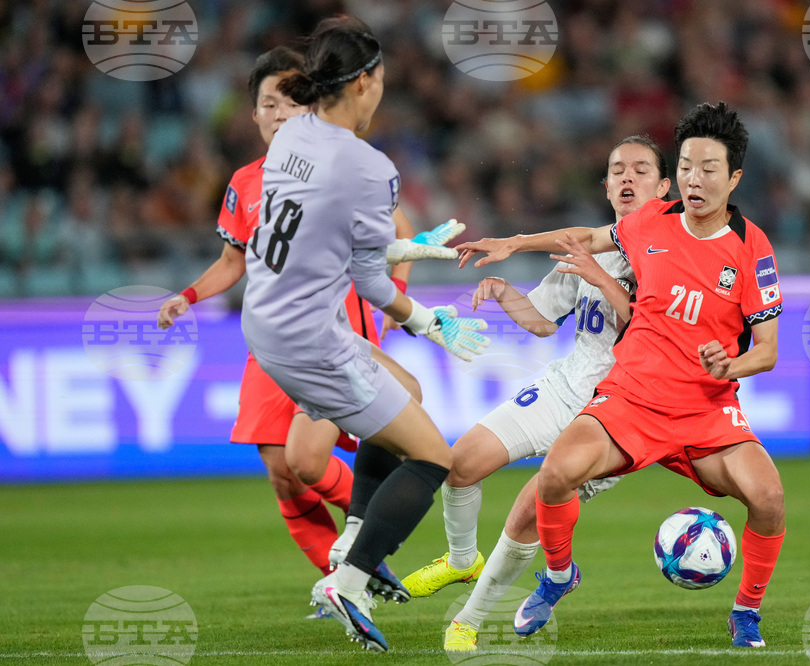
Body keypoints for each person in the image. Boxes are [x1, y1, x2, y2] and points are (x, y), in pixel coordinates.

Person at [456, 102, 785, 649]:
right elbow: (583, 235)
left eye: (708, 169)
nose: (694, 179)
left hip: (706, 410)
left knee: (769, 499)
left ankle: (746, 611)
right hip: (632, 400)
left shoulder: (753, 249)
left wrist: (732, 364)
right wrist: (515, 242)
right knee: (557, 473)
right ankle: (558, 575)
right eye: (685, 167)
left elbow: (768, 350)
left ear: (734, 178)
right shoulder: (650, 222)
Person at [155, 46, 461, 615]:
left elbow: (390, 238)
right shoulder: (284, 172)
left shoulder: (317, 158)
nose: (278, 113)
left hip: (307, 329)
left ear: (309, 103)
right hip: (309, 335)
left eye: (288, 101)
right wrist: (416, 315)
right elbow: (241, 258)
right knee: (297, 466)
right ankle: (351, 563)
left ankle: (353, 555)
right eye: (268, 103)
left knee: (306, 460)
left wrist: (402, 289)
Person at [240, 17, 489, 653]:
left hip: (266, 318)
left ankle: (353, 540)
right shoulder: (370, 167)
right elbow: (372, 281)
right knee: (434, 457)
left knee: (401, 398)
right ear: (365, 83)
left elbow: (339, 247)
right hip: (309, 338)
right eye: (381, 81)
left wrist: (406, 250)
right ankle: (347, 580)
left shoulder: (292, 133)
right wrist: (427, 321)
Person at [399, 136, 672, 653]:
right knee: (461, 462)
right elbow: (545, 323)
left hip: (622, 409)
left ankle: (470, 618)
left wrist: (597, 274)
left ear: (664, 186)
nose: (627, 178)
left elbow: (647, 329)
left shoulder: (670, 250)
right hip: (566, 384)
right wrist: (507, 293)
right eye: (617, 170)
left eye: (640, 170)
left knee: (530, 506)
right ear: (607, 185)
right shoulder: (592, 247)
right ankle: (461, 560)